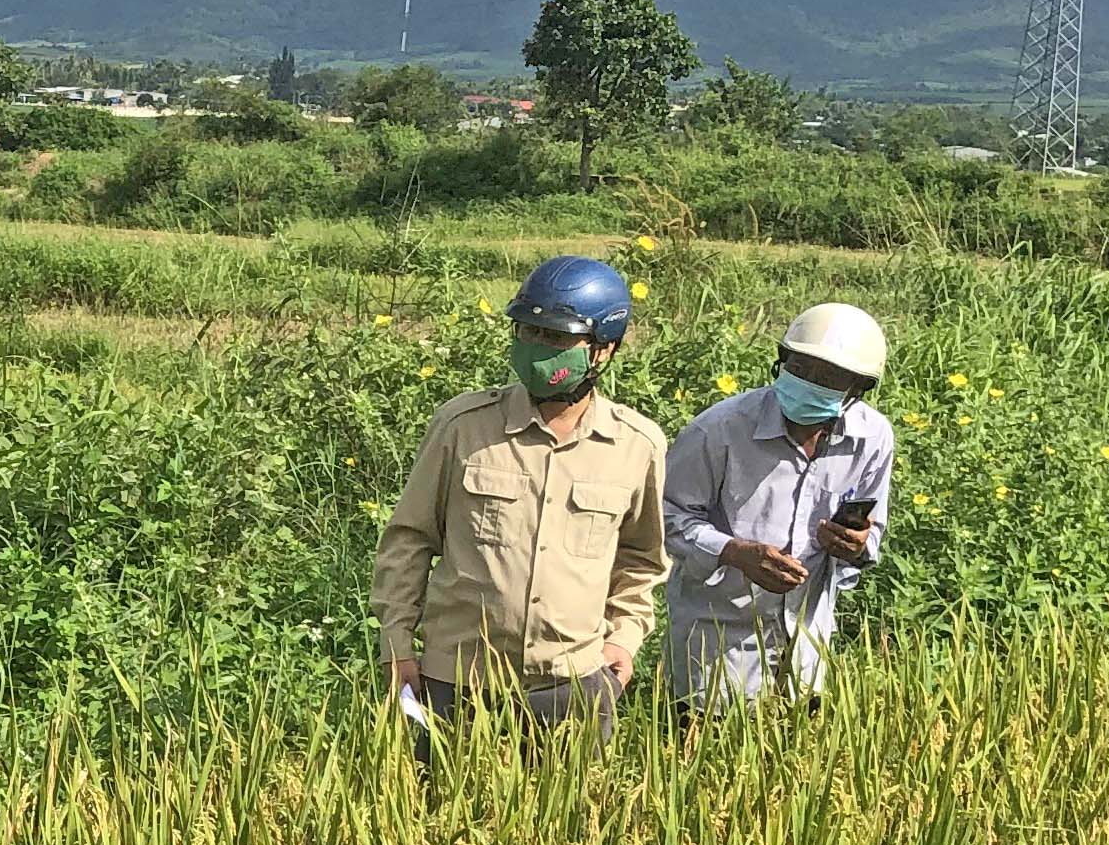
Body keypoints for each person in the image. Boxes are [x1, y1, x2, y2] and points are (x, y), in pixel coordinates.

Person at [373, 254, 669, 749]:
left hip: (572, 686)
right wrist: (397, 645)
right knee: (437, 818)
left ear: (603, 350)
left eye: (556, 339)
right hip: (457, 684)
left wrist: (624, 638)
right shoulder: (463, 427)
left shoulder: (636, 445)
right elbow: (409, 540)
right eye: (528, 333)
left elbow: (642, 558)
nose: (536, 349)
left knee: (569, 822)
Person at [660, 301, 895, 716]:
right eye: (800, 368)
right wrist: (734, 553)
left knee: (796, 768)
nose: (809, 382)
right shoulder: (719, 430)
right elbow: (667, 518)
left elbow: (872, 532)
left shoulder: (872, 437)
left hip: (805, 647)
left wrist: (855, 544)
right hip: (717, 649)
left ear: (856, 390)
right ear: (781, 363)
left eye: (830, 378)